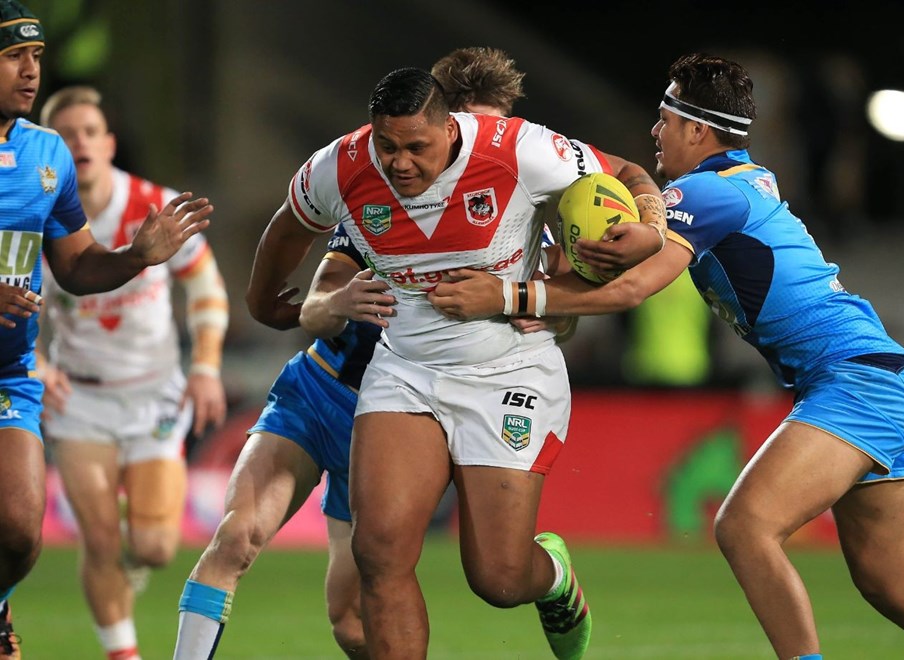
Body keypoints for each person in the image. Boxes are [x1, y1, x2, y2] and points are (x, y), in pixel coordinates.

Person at [427, 52, 904, 660]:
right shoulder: (739, 182)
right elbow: (616, 261)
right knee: (891, 584)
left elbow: (631, 287)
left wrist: (507, 295)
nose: (656, 130)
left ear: (697, 129)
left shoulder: (704, 192)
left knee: (745, 527)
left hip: (854, 381)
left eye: (666, 117)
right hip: (881, 378)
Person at [172, 48, 610, 660]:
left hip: (480, 384)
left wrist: (534, 301)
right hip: (345, 385)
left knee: (481, 583)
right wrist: (296, 306)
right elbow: (317, 279)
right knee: (317, 552)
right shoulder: (370, 189)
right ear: (445, 118)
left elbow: (571, 300)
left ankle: (549, 577)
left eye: (500, 127)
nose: (492, 141)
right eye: (395, 146)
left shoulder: (525, 193)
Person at [281, 67, 663, 659]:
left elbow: (626, 183)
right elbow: (299, 239)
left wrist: (647, 231)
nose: (401, 163)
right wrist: (284, 306)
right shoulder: (354, 173)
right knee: (378, 553)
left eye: (416, 147)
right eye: (391, 147)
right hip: (404, 373)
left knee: (500, 579)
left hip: (506, 373)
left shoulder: (523, 160)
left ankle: (554, 578)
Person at [0, 1, 213, 658]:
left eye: (36, 56)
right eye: (13, 56)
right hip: (77, 391)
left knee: (19, 533)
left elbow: (76, 266)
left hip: (10, 376)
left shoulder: (46, 153)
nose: (31, 71)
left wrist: (134, 257)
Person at [36, 85, 229, 660]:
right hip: (80, 397)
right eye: (66, 135)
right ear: (51, 149)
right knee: (98, 540)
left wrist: (205, 367)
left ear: (110, 143)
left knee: (154, 547)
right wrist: (36, 362)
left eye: (90, 132)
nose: (80, 143)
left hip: (154, 396)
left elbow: (206, 287)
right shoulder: (32, 215)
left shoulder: (153, 205)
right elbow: (17, 299)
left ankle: (133, 549)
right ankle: (123, 653)